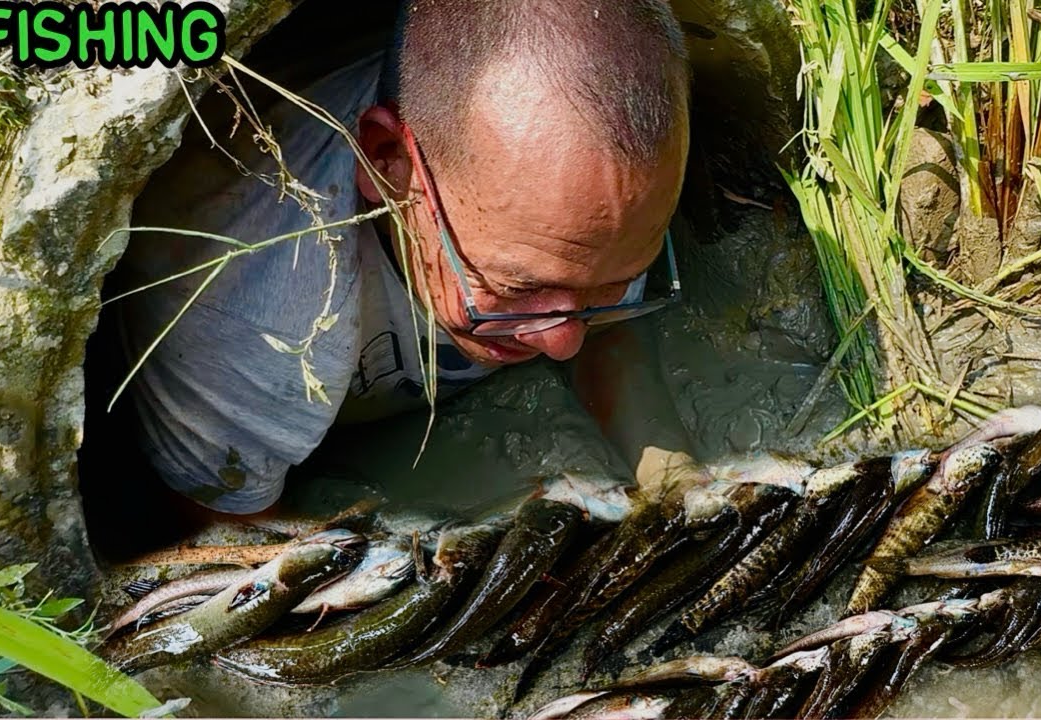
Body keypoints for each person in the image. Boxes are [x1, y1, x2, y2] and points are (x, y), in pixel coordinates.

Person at [110, 0, 702, 519]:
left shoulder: (599, 210)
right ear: (387, 162)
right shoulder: (245, 324)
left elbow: (602, 332)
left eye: (609, 287)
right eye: (518, 289)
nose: (563, 343)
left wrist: (674, 477)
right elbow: (240, 550)